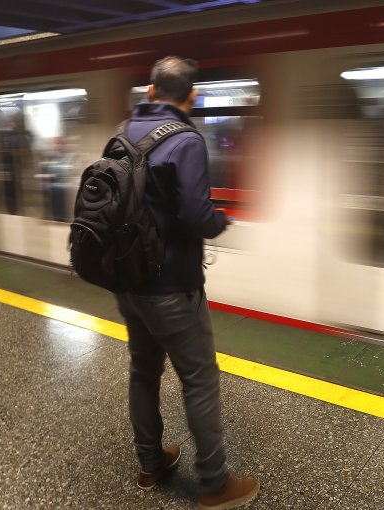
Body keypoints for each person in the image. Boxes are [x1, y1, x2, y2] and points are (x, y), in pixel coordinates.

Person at [115, 56, 259, 509]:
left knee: (143, 371)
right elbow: (197, 215)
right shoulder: (186, 141)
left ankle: (151, 462)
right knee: (199, 380)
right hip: (172, 286)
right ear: (192, 98)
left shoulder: (121, 133)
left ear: (151, 92)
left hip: (128, 282)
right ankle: (214, 485)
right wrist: (221, 221)